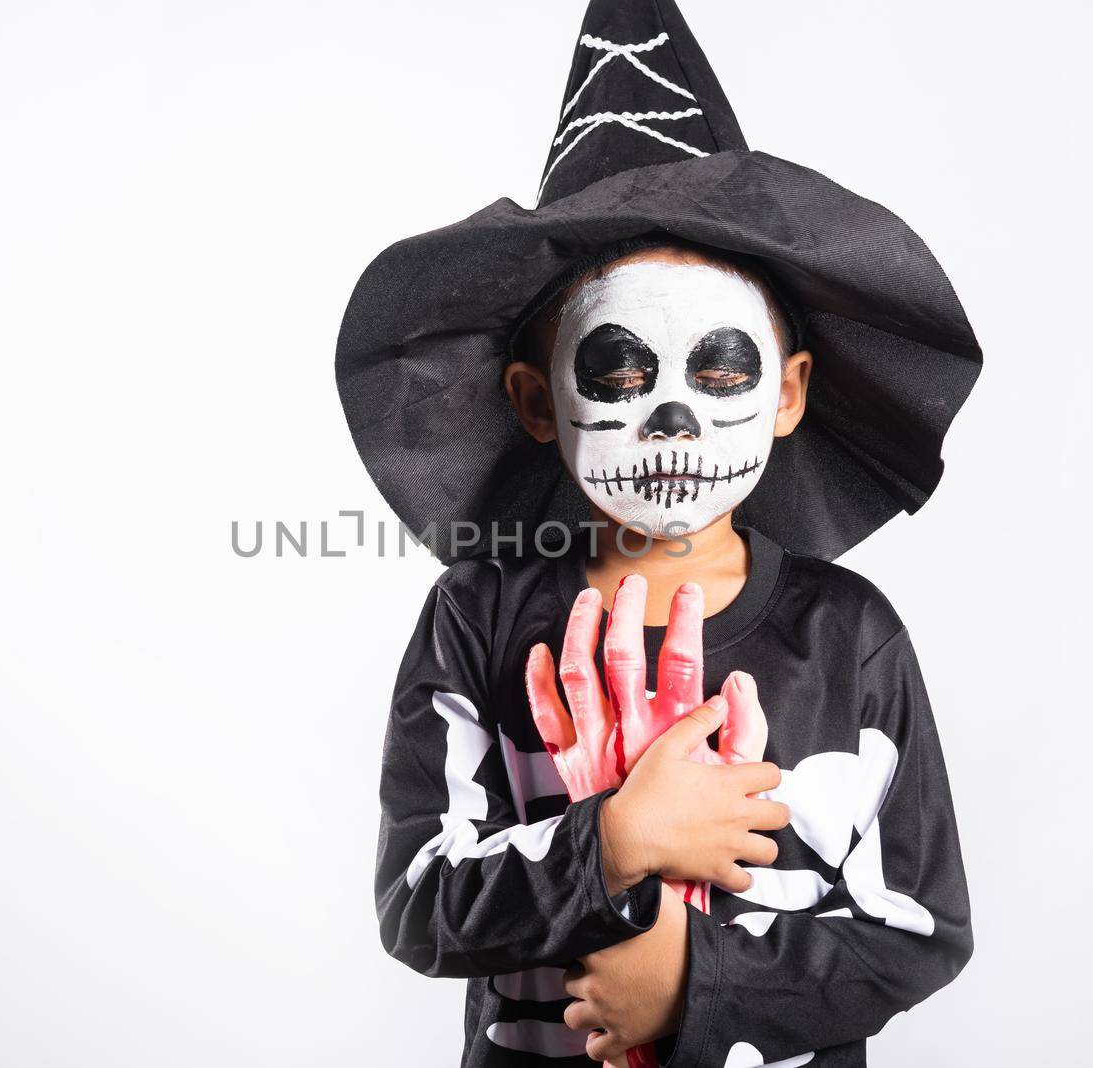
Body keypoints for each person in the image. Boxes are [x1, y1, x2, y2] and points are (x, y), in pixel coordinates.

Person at [336, 3, 981, 1065]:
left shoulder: (847, 638)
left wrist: (697, 984)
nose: (670, 419)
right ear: (537, 402)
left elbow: (918, 933)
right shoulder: (478, 618)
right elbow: (416, 907)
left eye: (720, 369)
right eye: (618, 371)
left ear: (788, 393)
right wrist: (614, 839)